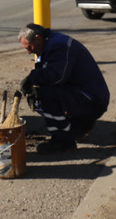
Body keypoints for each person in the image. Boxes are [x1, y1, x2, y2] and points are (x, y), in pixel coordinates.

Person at [18, 23, 110, 154]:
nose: (28, 52)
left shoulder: (58, 46)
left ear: (38, 38)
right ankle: (78, 126)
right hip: (88, 95)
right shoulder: (50, 43)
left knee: (44, 94)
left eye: (29, 47)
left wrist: (32, 78)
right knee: (42, 90)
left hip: (92, 99)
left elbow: (57, 77)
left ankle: (63, 141)